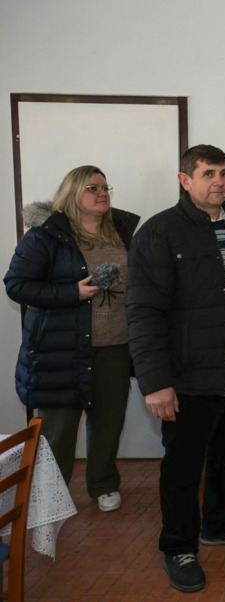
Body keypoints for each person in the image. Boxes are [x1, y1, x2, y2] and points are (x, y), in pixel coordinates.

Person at [127, 144, 225, 594]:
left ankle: (221, 523)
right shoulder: (160, 233)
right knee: (183, 465)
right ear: (185, 180)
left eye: (224, 173)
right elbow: (145, 313)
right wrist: (156, 383)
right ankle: (179, 547)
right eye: (208, 173)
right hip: (191, 372)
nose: (219, 181)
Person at [5, 166, 138, 512]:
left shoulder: (123, 232)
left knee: (109, 421)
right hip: (61, 348)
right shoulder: (46, 236)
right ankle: (52, 495)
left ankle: (104, 485)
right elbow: (16, 285)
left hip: (115, 346)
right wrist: (71, 293)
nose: (103, 193)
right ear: (73, 193)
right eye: (93, 187)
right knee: (59, 429)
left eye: (105, 187)